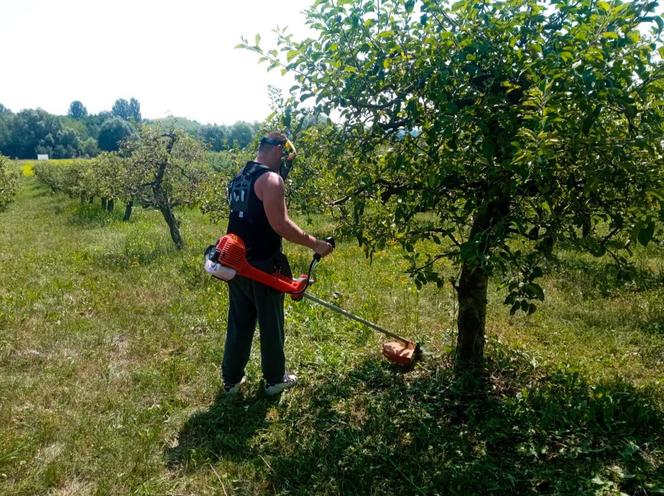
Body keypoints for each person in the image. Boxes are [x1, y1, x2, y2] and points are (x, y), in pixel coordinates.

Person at [222, 132, 334, 395]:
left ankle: (231, 381)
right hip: (263, 264)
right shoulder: (271, 180)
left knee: (239, 322)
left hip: (236, 261)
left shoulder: (239, 177)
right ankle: (274, 380)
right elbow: (280, 224)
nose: (284, 163)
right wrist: (315, 244)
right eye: (284, 157)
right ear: (275, 151)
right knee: (271, 322)